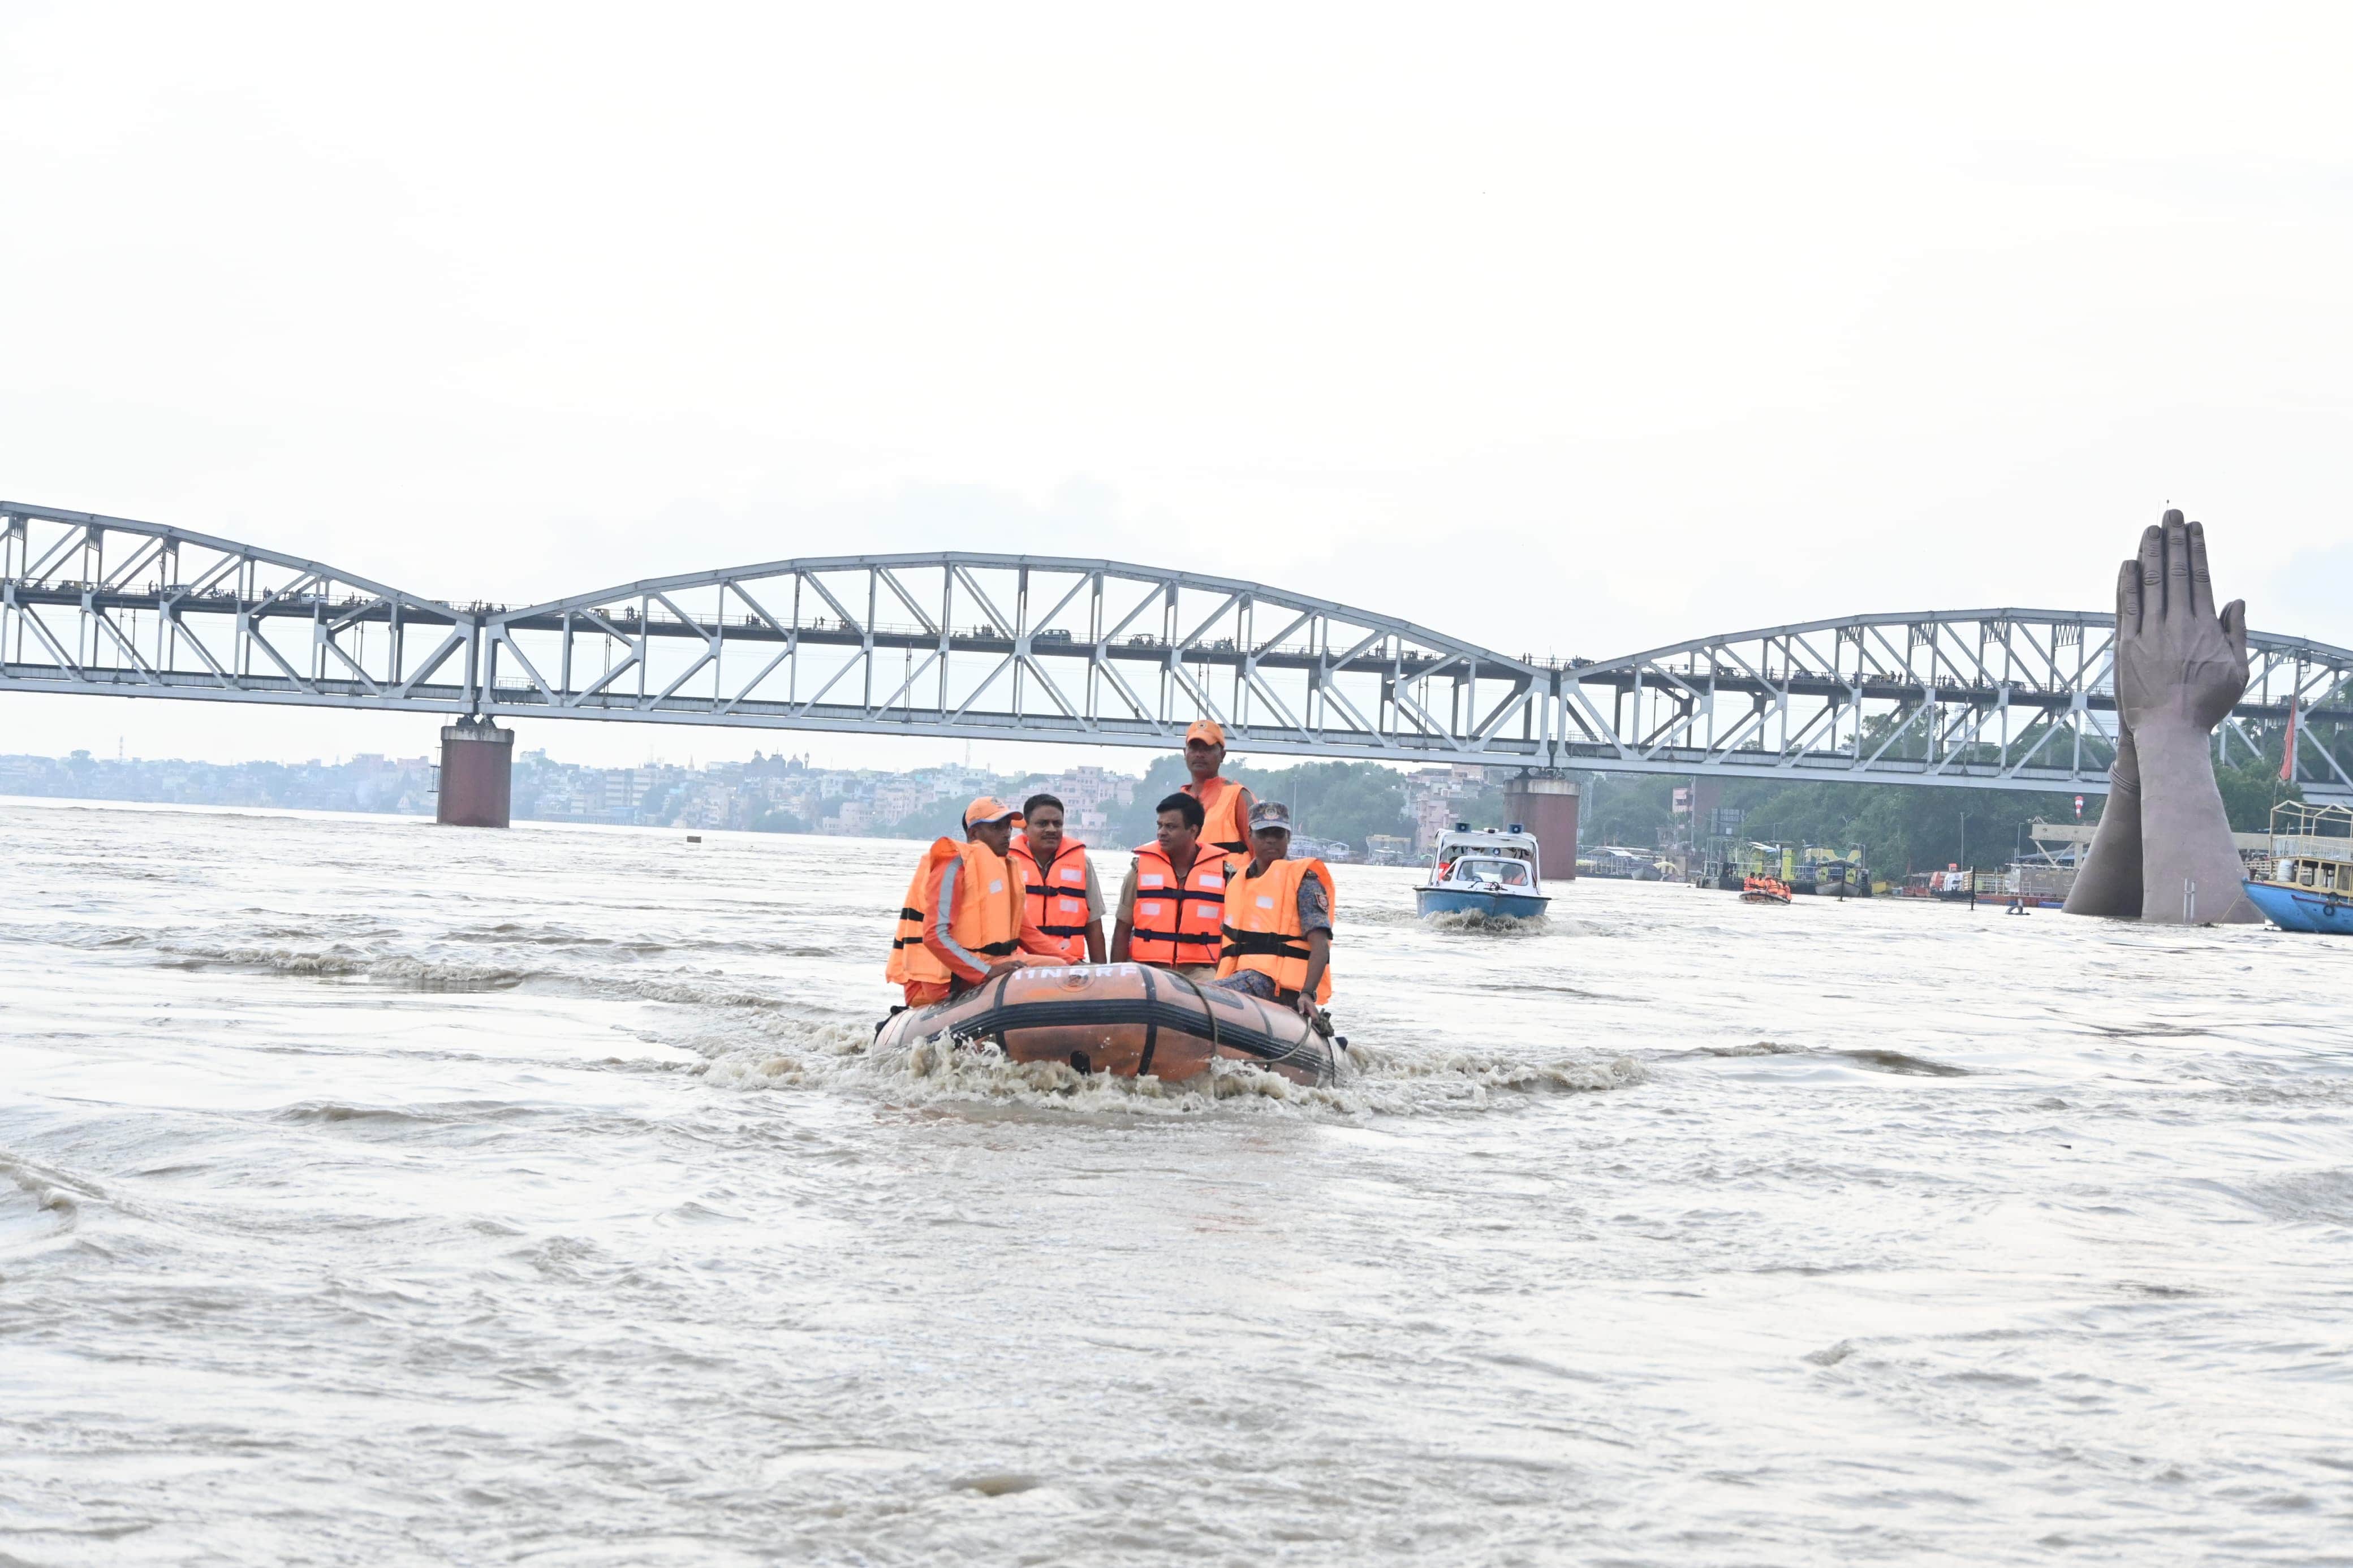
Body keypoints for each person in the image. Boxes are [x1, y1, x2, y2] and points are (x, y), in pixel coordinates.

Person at [886, 797, 1070, 1009]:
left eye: (1008, 827)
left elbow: (1027, 933)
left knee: (1060, 967)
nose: (1007, 834)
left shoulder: (1004, 869)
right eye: (997, 827)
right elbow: (934, 935)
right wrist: (985, 971)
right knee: (1055, 969)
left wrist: (1075, 964)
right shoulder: (953, 865)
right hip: (942, 980)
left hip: (986, 966)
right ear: (974, 834)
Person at [1214, 801, 1333, 1020]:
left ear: (1288, 838)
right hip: (1242, 979)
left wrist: (1307, 994)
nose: (1271, 840)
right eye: (1263, 833)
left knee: (1210, 995)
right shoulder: (1237, 881)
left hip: (1279, 988)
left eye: (1278, 834)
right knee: (1203, 992)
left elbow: (1321, 945)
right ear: (1250, 835)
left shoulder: (1303, 881)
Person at [1110, 792, 1230, 979]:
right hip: (1146, 968)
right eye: (1160, 826)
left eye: (1170, 827)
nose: (1161, 833)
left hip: (1199, 971)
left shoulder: (1225, 875)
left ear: (1193, 830)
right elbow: (1122, 929)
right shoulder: (1138, 871)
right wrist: (1116, 977)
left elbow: (1231, 935)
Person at [1007, 793, 1106, 965]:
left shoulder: (1083, 863)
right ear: (1025, 828)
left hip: (1071, 964)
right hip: (1019, 966)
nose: (1051, 830)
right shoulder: (1005, 862)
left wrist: (1102, 973)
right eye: (1042, 824)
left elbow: (1094, 924)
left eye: (1057, 824)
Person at [1179, 719, 1255, 856]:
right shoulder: (1177, 803)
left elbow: (1261, 854)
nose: (1199, 754)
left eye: (1207, 748)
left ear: (1222, 755)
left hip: (1230, 877)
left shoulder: (1238, 797)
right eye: (1194, 748)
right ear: (1185, 753)